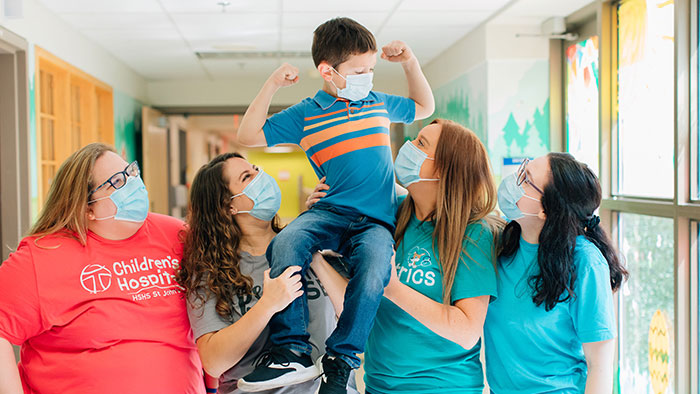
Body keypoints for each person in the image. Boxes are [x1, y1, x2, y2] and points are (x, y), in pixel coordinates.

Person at [236, 17, 435, 394]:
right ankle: (291, 349)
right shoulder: (306, 114)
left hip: (375, 221)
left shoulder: (377, 104)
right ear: (328, 71)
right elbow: (248, 135)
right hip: (330, 212)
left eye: (371, 69)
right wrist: (272, 84)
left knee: (377, 267)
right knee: (286, 242)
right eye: (359, 71)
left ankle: (341, 362)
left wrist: (410, 62)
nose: (368, 78)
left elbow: (424, 105)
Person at [310, 119, 502, 393]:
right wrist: (315, 243)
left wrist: (393, 288)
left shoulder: (473, 233)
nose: (408, 147)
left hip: (443, 387)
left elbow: (466, 330)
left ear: (444, 170)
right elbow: (354, 303)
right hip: (378, 385)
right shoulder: (392, 214)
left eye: (421, 144)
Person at [0, 143, 205, 394]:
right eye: (117, 182)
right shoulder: (41, 257)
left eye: (132, 172)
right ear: (88, 208)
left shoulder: (179, 236)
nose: (132, 184)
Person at [177, 153, 359, 394]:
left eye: (255, 169)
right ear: (228, 205)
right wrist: (268, 305)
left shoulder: (309, 243)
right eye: (247, 177)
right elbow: (214, 362)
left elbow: (355, 316)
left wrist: (308, 241)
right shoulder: (211, 271)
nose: (260, 176)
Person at [484, 152, 628, 393]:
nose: (514, 181)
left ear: (546, 211)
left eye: (526, 179)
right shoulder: (503, 243)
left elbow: (600, 365)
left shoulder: (585, 263)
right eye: (523, 169)